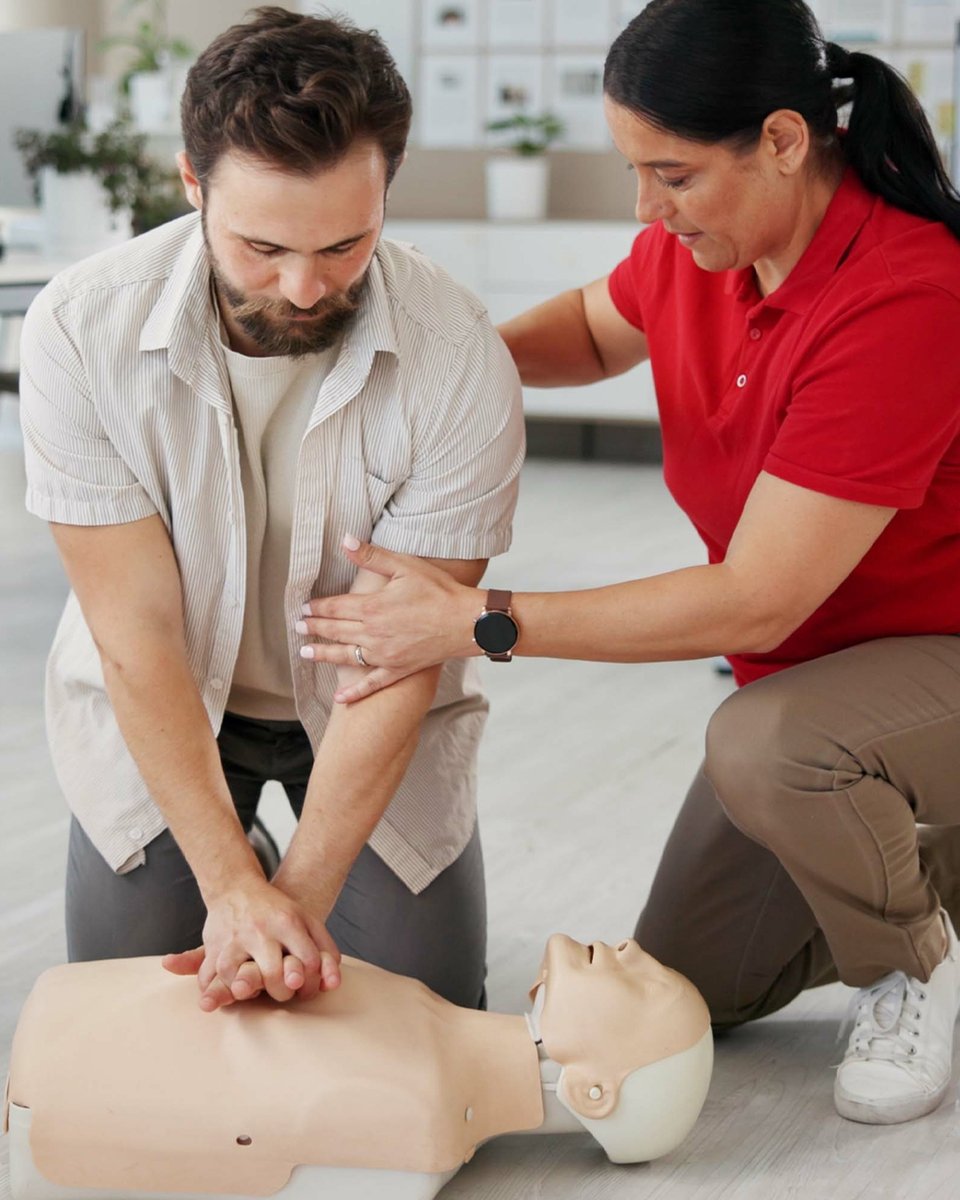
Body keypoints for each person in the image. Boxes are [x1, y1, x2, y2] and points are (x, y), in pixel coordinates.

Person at [292, 0, 960, 1126]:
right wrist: (445, 375)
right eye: (636, 170)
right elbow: (600, 333)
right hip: (818, 689)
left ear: (786, 140)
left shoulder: (908, 294)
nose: (646, 209)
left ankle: (917, 968)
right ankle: (918, 860)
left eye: (674, 175)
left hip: (911, 673)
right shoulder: (707, 244)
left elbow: (757, 599)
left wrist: (478, 618)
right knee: (702, 982)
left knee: (772, 745)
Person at [18, 7, 523, 1015]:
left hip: (370, 711)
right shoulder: (79, 330)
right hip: (169, 698)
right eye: (262, 247)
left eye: (345, 244)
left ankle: (283, 857)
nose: (303, 287)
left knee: (418, 1016)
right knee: (132, 1018)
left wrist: (286, 903)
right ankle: (229, 831)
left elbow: (400, 654)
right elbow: (138, 635)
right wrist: (226, 887)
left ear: (386, 193)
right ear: (191, 184)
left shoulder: (459, 353)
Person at [4, 934, 713, 1199]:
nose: (630, 949)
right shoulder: (427, 1031)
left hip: (57, 1084)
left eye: (645, 984)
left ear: (593, 1090)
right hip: (70, 1040)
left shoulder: (418, 1120)